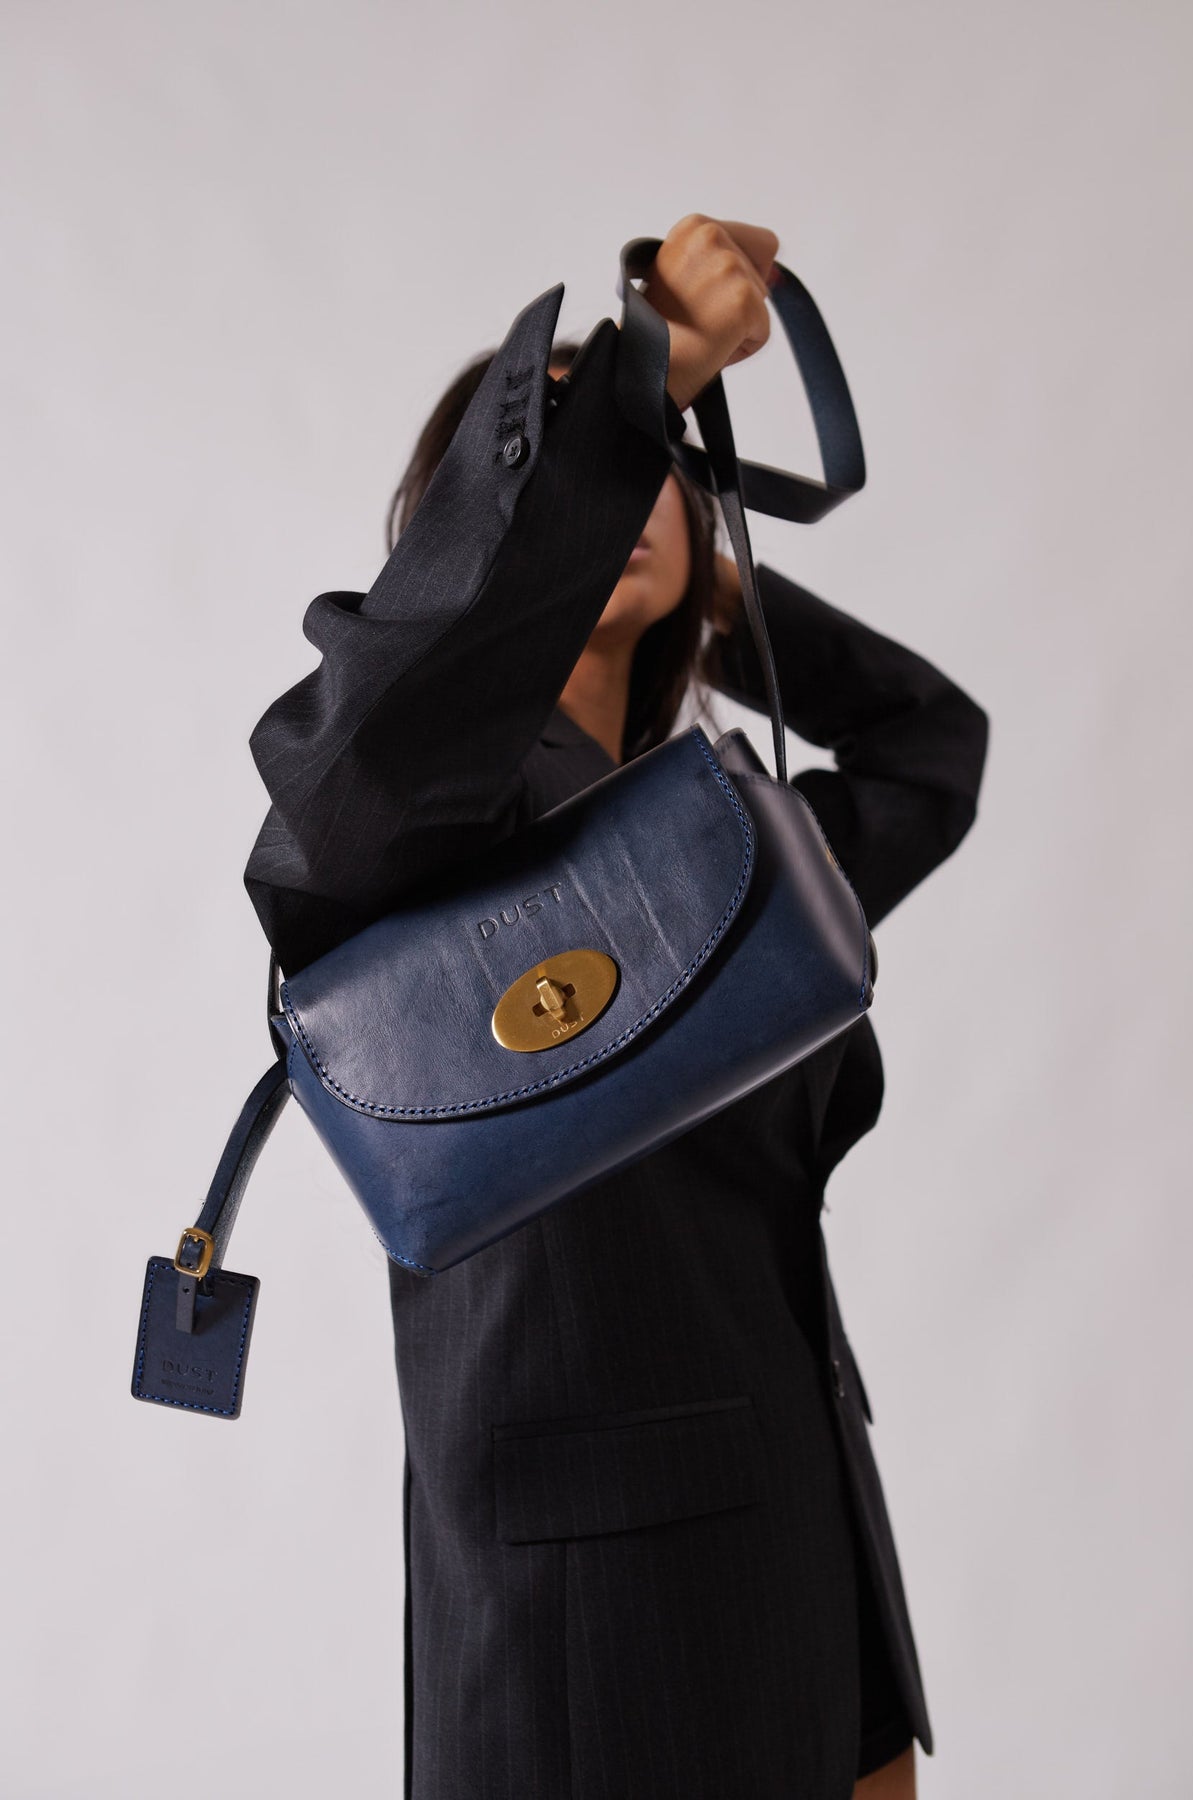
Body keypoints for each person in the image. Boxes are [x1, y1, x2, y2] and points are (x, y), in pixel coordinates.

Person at [244, 214, 990, 1800]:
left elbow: (930, 748)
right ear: (476, 538)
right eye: (587, 463)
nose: (631, 487)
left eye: (654, 468)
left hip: (809, 1562)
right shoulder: (419, 831)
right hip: (588, 1638)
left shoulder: (717, 856)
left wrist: (716, 591)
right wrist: (645, 377)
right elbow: (349, 762)